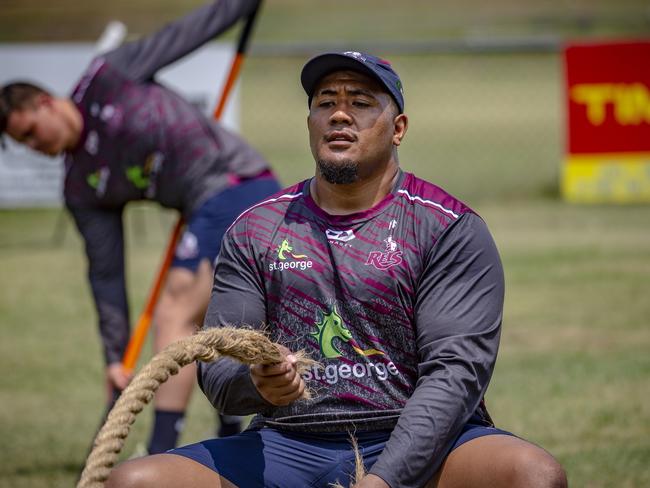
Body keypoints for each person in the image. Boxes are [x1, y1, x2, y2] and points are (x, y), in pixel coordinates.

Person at [106, 51, 568, 487]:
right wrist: (258, 383)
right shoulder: (255, 229)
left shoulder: (447, 227)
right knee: (133, 481)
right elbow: (222, 369)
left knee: (531, 474)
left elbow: (454, 376)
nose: (340, 115)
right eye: (325, 103)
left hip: (418, 441)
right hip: (287, 444)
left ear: (398, 127)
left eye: (361, 103)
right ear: (310, 124)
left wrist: (385, 478)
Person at [0, 0, 280, 454]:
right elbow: (106, 271)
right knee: (217, 319)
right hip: (202, 205)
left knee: (175, 312)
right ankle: (232, 437)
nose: (36, 147)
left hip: (235, 183)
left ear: (46, 103)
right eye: (24, 144)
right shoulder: (80, 186)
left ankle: (160, 455)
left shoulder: (106, 77)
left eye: (32, 132)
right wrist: (115, 355)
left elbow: (186, 33)